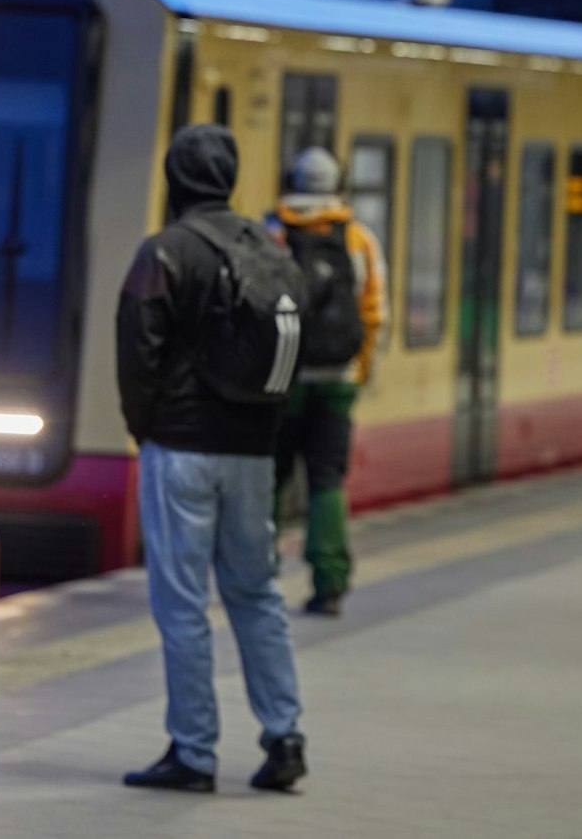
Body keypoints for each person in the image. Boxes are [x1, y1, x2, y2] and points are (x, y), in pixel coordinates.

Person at [115, 123, 308, 794]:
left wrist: (147, 429)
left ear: (174, 178)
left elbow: (137, 355)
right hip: (252, 451)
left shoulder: (164, 254)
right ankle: (284, 736)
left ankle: (194, 752)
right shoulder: (267, 248)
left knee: (182, 604)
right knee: (257, 593)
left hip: (182, 449)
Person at [266, 147, 388, 617]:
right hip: (337, 380)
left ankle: (257, 575)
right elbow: (375, 313)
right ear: (339, 185)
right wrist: (361, 371)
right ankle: (329, 582)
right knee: (327, 480)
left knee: (269, 478)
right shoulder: (357, 238)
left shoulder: (272, 232)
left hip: (281, 378)